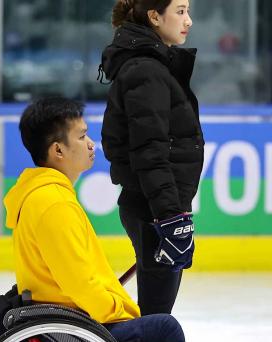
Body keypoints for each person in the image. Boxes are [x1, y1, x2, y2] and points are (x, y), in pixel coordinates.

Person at [4, 98, 207, 342]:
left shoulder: (43, 195)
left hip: (65, 313)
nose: (91, 143)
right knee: (164, 327)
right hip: (73, 325)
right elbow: (79, 283)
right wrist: (124, 312)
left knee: (155, 325)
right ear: (58, 150)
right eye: (82, 136)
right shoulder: (53, 204)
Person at [99, 0, 203, 316]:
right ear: (155, 17)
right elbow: (151, 150)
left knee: (156, 313)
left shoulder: (151, 66)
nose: (189, 20)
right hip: (153, 212)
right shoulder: (146, 70)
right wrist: (170, 217)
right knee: (156, 318)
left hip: (153, 209)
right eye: (181, 11)